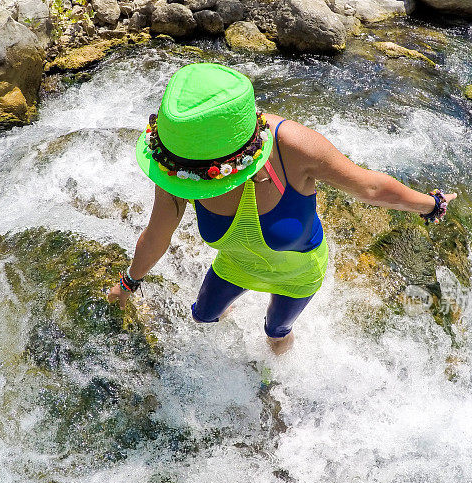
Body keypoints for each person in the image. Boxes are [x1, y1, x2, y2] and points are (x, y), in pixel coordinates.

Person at [107, 63, 454, 355]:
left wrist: (432, 205)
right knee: (203, 317)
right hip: (236, 265)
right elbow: (157, 234)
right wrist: (128, 283)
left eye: (204, 177)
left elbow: (371, 187)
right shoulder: (180, 166)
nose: (199, 186)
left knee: (276, 333)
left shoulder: (292, 147)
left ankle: (273, 385)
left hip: (297, 274)